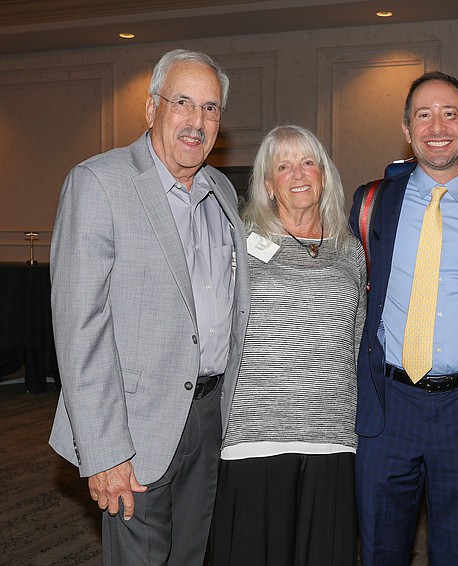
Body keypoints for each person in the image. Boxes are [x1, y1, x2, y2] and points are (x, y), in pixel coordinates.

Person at [48, 49, 249, 565]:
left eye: (210, 108)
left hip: (207, 419)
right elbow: (79, 330)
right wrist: (105, 450)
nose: (197, 121)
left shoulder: (222, 190)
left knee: (188, 556)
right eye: (182, 102)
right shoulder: (99, 183)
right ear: (151, 108)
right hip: (133, 428)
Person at [349, 71, 458, 565]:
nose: (437, 125)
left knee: (457, 552)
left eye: (450, 114)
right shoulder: (369, 203)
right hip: (387, 408)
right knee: (380, 549)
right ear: (406, 129)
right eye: (423, 115)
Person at [212, 125, 365, 565]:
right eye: (283, 166)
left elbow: (356, 337)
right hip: (252, 435)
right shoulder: (238, 245)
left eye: (308, 162)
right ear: (267, 184)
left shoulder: (349, 250)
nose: (298, 174)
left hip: (332, 437)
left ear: (324, 175)